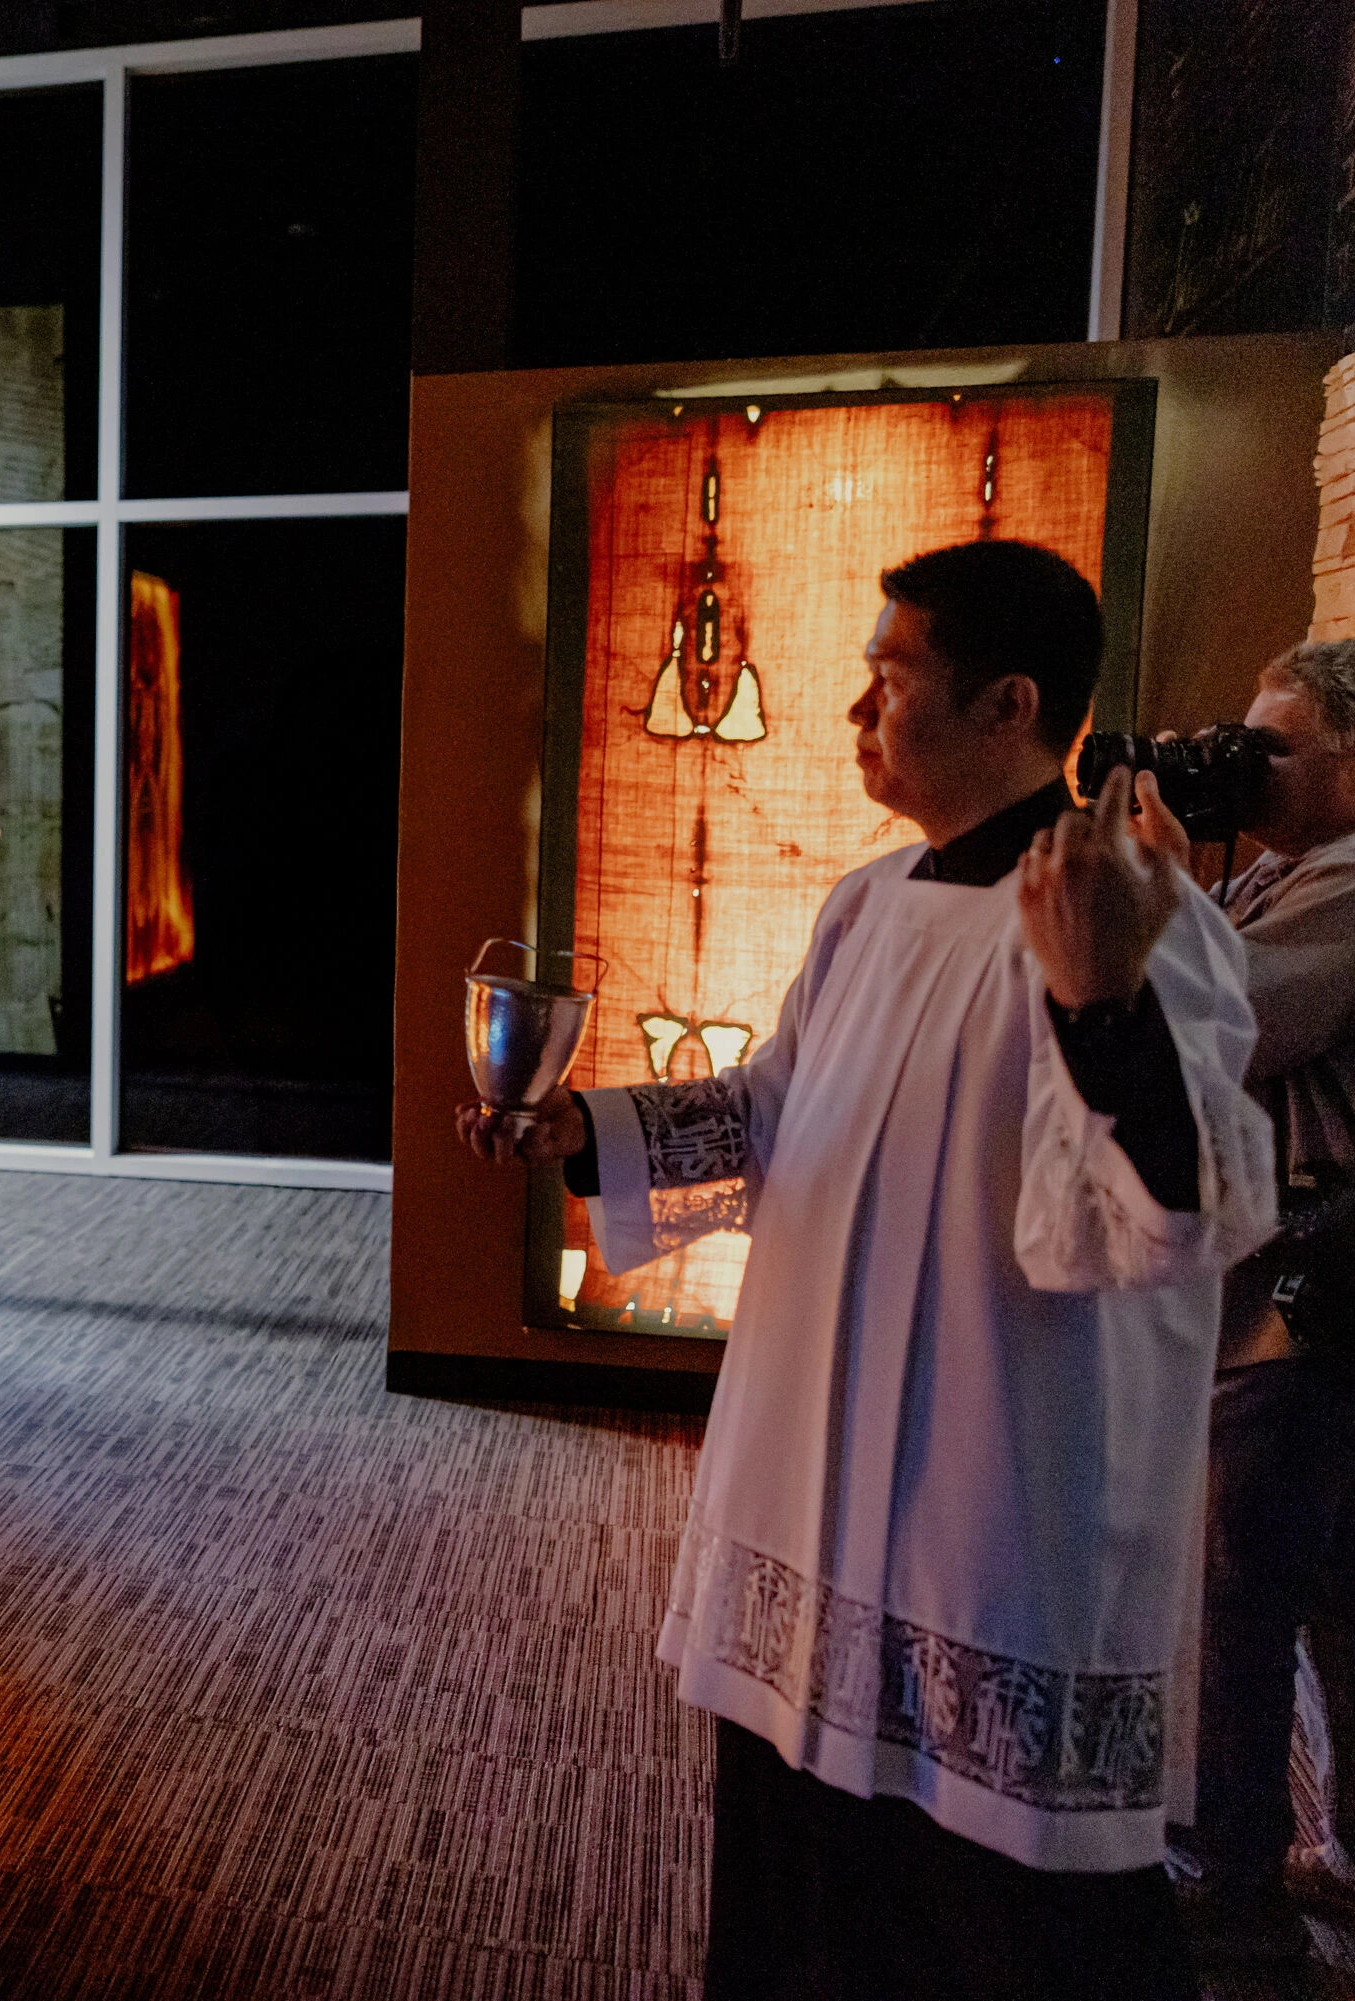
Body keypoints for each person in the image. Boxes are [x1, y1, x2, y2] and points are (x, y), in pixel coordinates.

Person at [461, 539, 1278, 1999]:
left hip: (995, 1503)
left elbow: (1180, 1207)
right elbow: (780, 1112)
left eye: (891, 680)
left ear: (1008, 704)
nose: (858, 711)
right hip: (814, 1500)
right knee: (802, 1881)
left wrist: (1099, 1005)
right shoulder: (866, 904)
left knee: (992, 1926)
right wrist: (580, 1128)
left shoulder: (1135, 918)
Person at [1151, 639, 1355, 1961]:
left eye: (1271, 744)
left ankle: (1232, 1888)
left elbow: (1226, 1023)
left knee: (1246, 1598)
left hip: (1309, 1290)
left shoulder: (1346, 889)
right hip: (1290, 1284)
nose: (1242, 762)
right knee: (1326, 1588)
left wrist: (1159, 882)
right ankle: (1325, 1848)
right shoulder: (1287, 871)